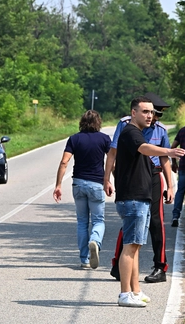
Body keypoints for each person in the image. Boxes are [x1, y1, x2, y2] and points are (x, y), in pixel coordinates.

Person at [107, 96, 185, 308]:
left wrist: (169, 184)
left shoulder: (137, 132)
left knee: (136, 247)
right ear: (133, 113)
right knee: (130, 247)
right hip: (132, 198)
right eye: (145, 112)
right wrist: (169, 151)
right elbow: (145, 149)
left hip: (140, 197)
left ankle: (135, 290)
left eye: (152, 112)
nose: (150, 116)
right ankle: (124, 294)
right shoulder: (131, 132)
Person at [53, 110, 111, 269]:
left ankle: (84, 260)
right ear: (98, 122)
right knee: (98, 220)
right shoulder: (104, 139)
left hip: (78, 184)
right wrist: (110, 181)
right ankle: (95, 240)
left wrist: (58, 185)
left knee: (82, 222)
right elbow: (112, 161)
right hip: (96, 184)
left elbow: (64, 162)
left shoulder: (74, 139)